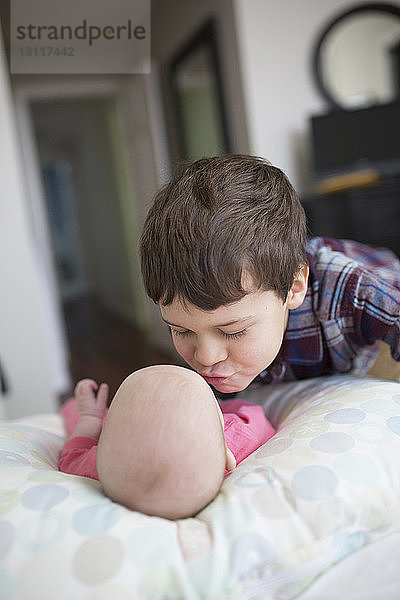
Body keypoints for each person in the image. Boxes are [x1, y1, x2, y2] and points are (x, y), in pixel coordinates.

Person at [139, 154, 400, 395]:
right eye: (181, 331)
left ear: (294, 288)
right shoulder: (219, 342)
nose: (206, 357)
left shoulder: (345, 289)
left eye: (233, 332)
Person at [58, 364, 275, 519]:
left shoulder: (99, 466)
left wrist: (90, 418)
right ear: (228, 458)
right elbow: (256, 417)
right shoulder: (235, 440)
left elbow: (72, 454)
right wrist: (219, 409)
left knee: (72, 409)